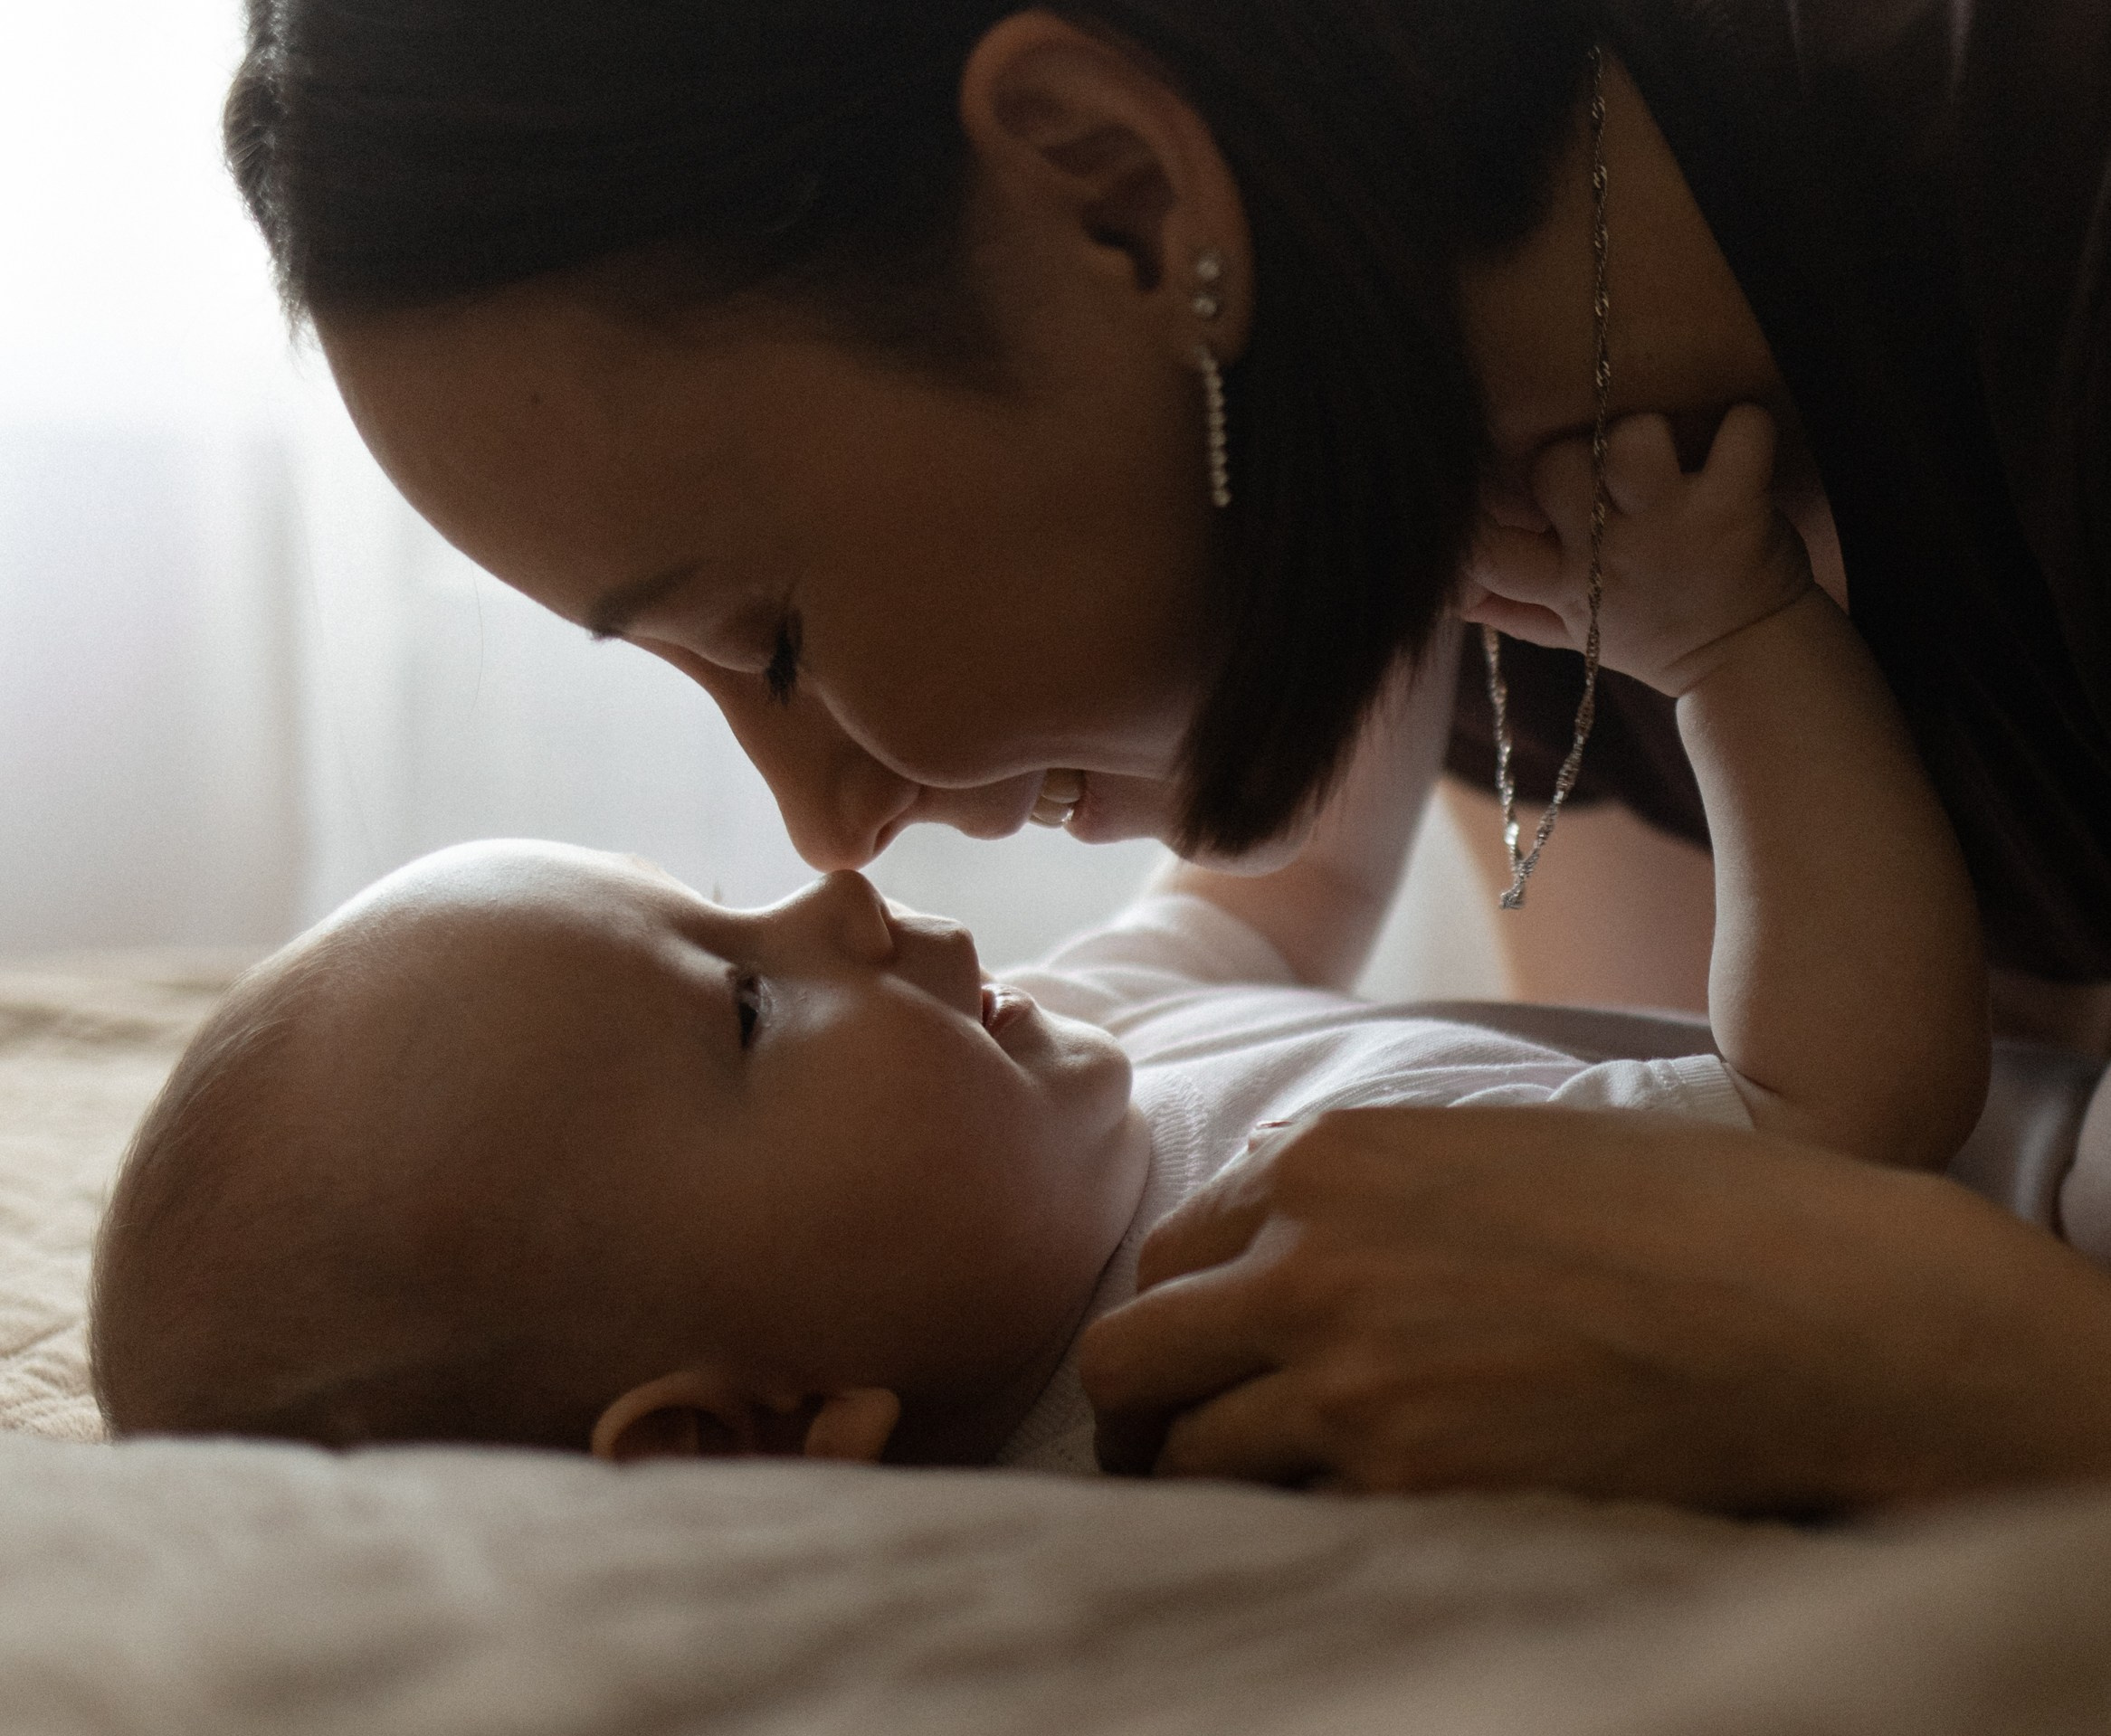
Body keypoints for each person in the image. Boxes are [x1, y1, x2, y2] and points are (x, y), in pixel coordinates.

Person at [217, 0, 2111, 1508]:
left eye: (765, 632)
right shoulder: (1481, 511)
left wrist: (1902, 1364)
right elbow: (1703, 1151)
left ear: (1116, 202)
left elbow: (1825, 1238)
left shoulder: (2034, 192)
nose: (833, 823)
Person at [93, 414, 1993, 1478]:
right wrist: (1735, 646)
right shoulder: (1232, 1370)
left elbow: (1285, 886)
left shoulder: (1076, 1046)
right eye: (743, 1002)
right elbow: (1854, 1113)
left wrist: (1365, 536)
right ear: (733, 1438)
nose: (834, 895)